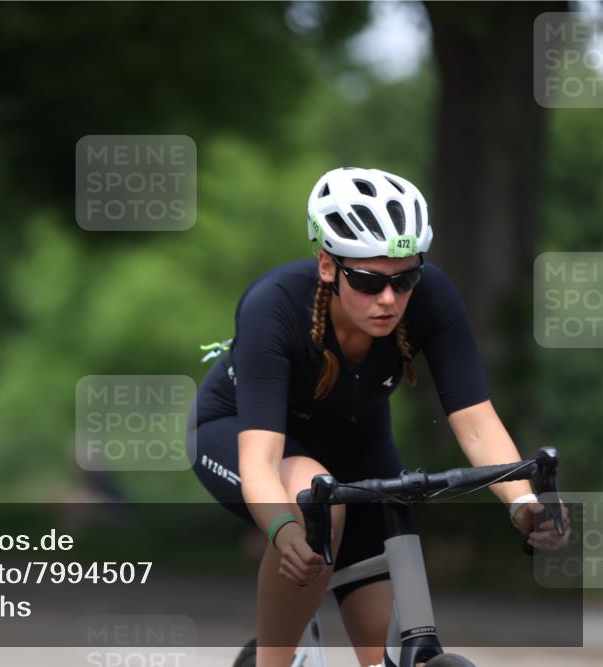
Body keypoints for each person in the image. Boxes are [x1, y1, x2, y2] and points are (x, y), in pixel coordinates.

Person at [187, 167, 569, 667]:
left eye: (404, 278)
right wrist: (284, 530)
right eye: (368, 281)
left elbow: (475, 420)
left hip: (357, 442)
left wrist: (522, 501)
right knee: (315, 501)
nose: (388, 299)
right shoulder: (273, 306)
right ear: (328, 264)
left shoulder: (432, 297)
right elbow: (261, 461)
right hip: (239, 433)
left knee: (384, 649)